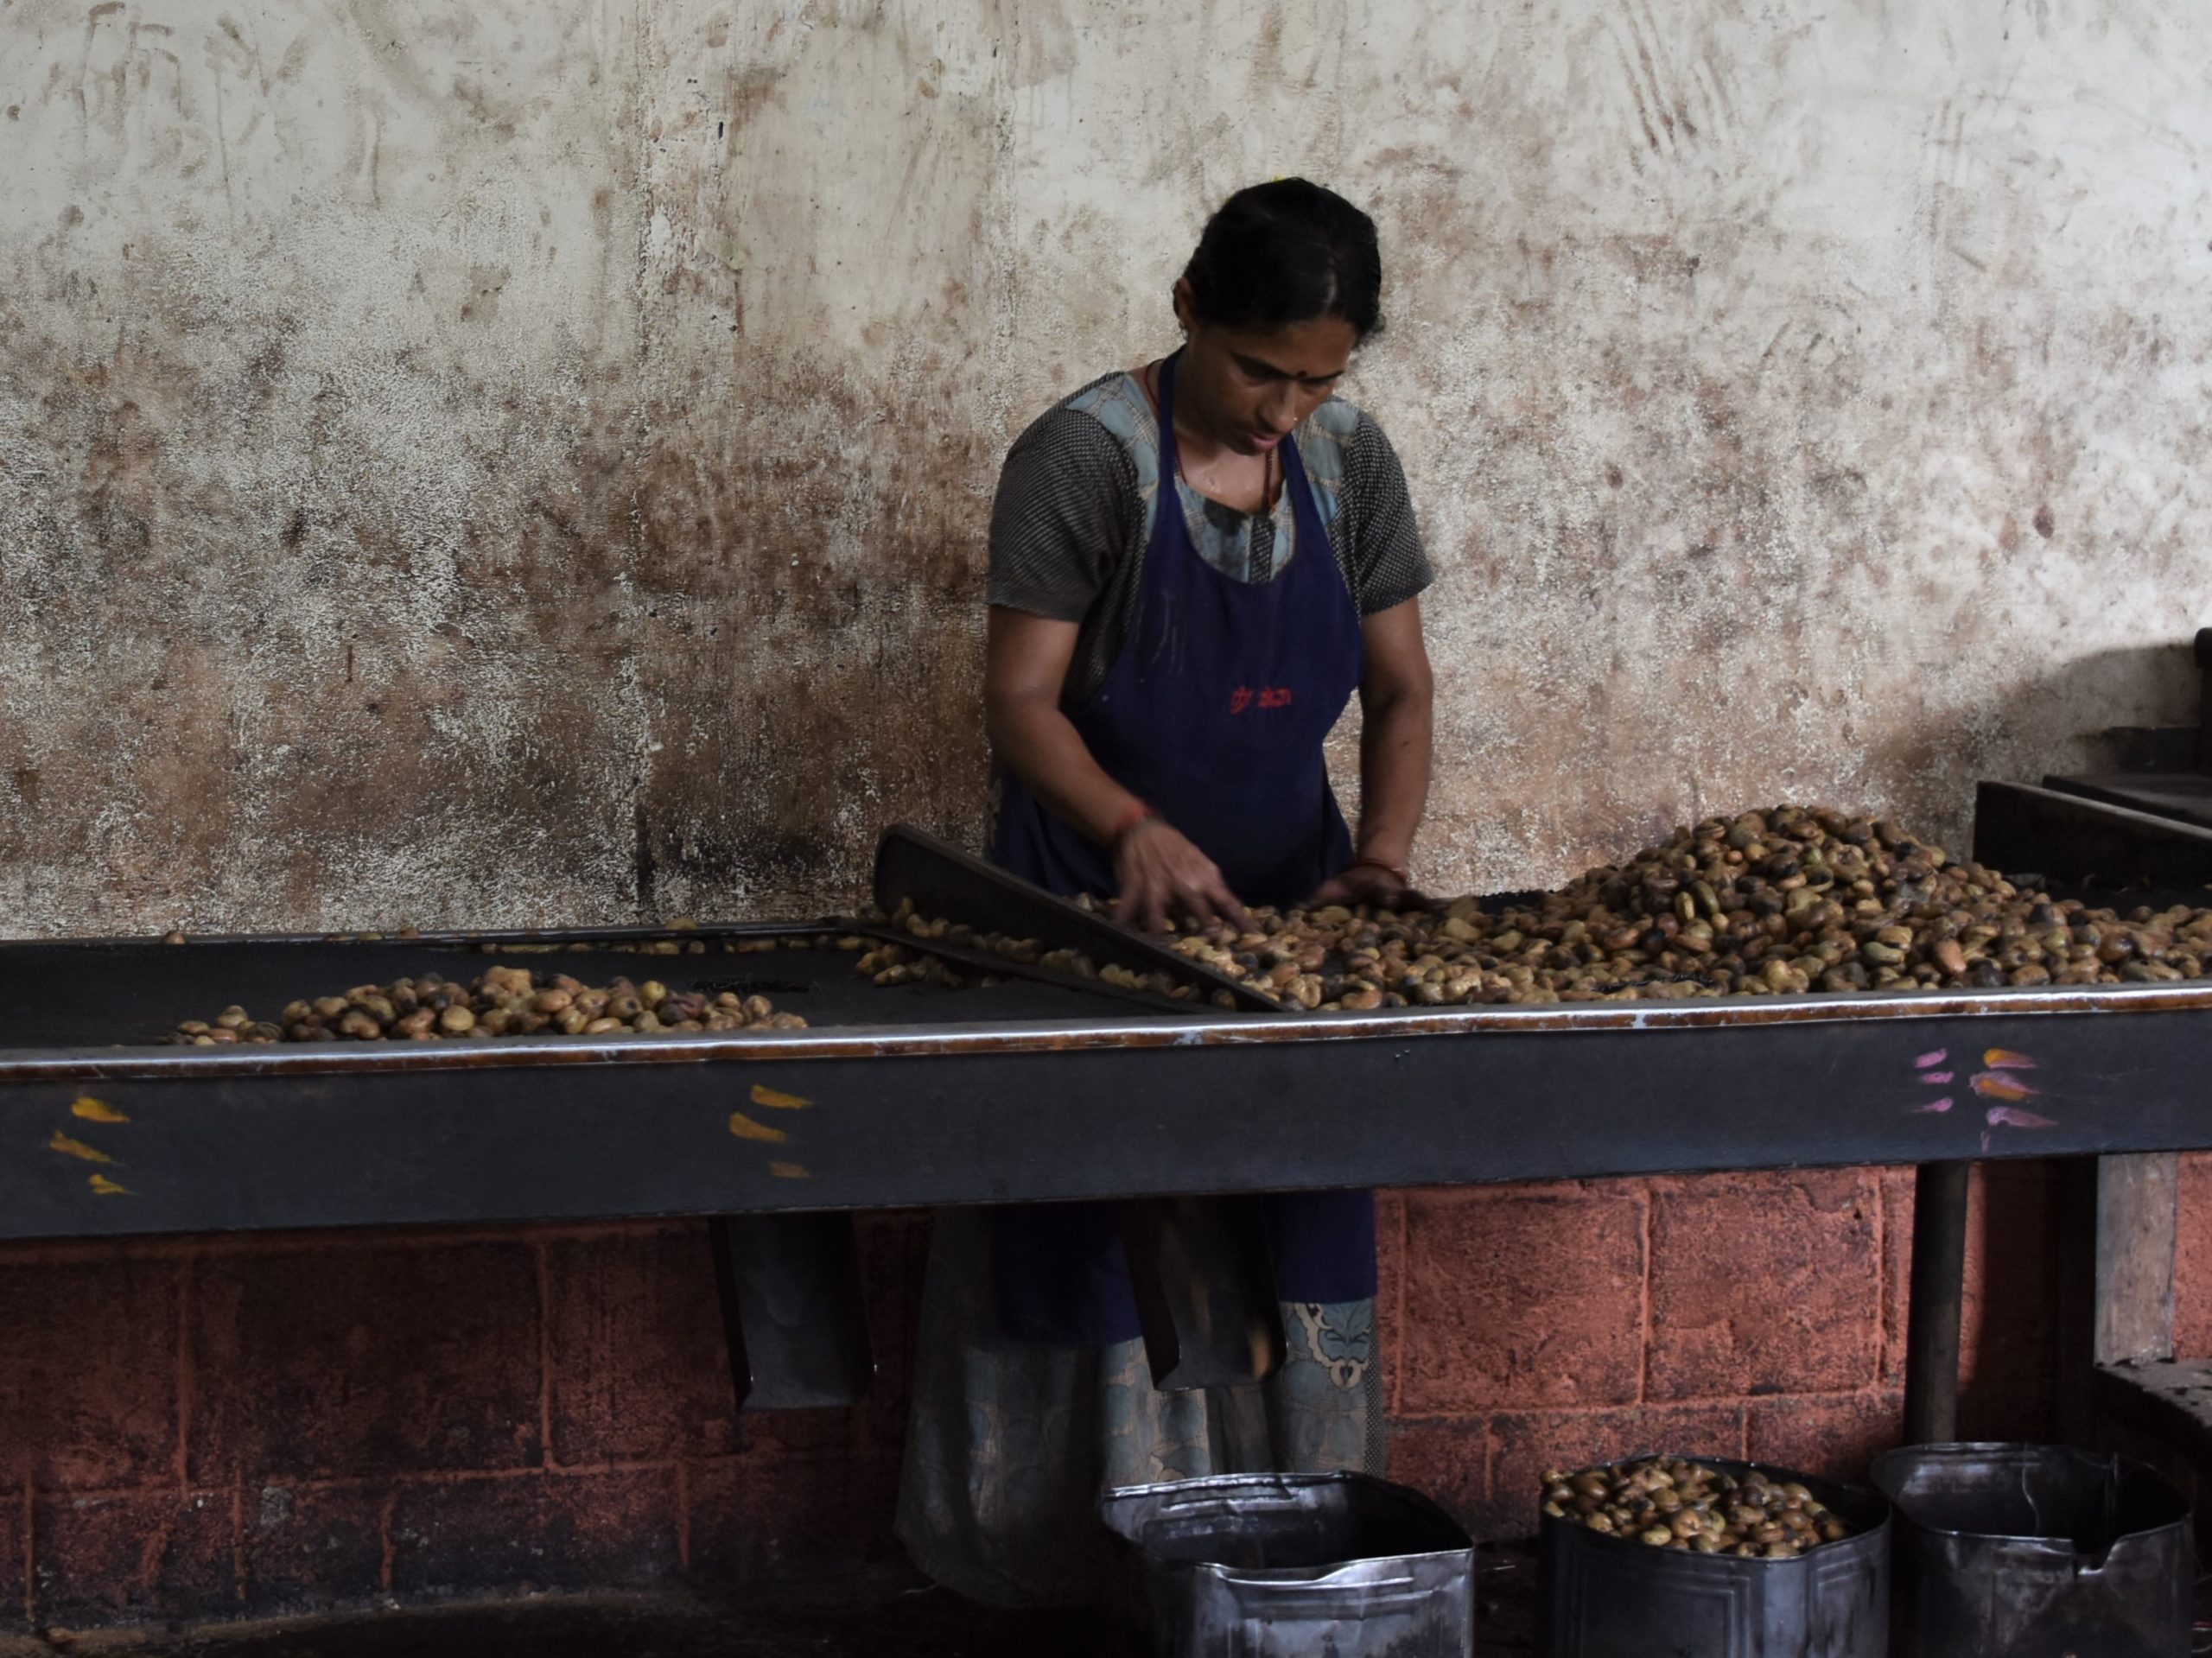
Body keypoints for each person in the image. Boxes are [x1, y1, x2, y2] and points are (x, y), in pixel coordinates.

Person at [894, 178, 1436, 1608]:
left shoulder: (1352, 465)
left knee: (1289, 1219)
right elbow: (1019, 703)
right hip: (1089, 913)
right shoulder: (1085, 460)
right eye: (1262, 368)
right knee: (1095, 1231)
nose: (1284, 409)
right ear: (1189, 305)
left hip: (1283, 923)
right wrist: (1130, 828)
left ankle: (1281, 1570)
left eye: (1320, 379)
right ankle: (1078, 1573)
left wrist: (1377, 861)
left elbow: (1399, 689)